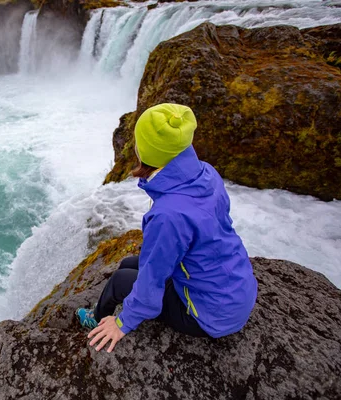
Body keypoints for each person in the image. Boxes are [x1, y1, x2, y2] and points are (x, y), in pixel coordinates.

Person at [76, 103, 258, 353]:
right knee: (129, 263)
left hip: (209, 315)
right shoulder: (206, 174)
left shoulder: (168, 215)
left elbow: (152, 279)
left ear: (149, 152)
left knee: (120, 281)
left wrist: (123, 322)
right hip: (235, 290)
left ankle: (98, 319)